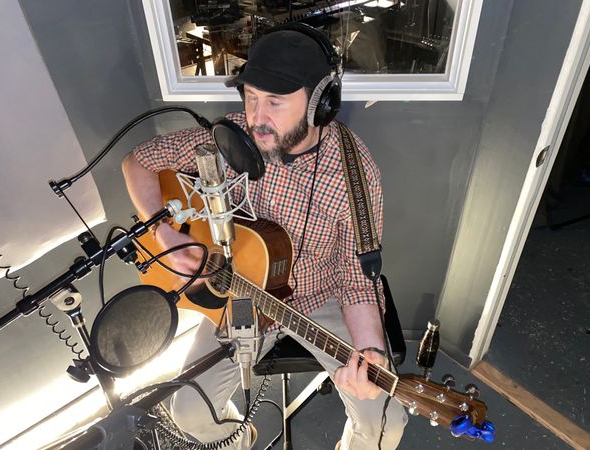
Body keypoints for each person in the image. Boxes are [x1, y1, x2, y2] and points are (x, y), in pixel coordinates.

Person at [122, 27, 407, 450]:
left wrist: (371, 352)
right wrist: (163, 233)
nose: (257, 117)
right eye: (251, 97)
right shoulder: (230, 137)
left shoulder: (353, 176)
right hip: (241, 292)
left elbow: (356, 281)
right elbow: (137, 163)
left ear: (319, 104)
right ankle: (239, 439)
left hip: (320, 296)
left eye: (275, 101)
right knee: (188, 412)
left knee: (386, 423)